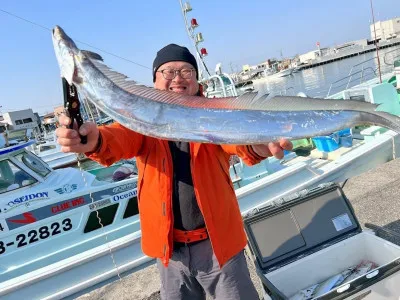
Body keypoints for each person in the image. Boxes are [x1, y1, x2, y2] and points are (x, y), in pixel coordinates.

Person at [55, 44, 293, 300]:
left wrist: (258, 146)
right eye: (168, 72)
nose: (177, 78)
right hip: (170, 252)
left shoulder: (217, 115)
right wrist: (95, 141)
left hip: (219, 247)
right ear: (154, 80)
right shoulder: (140, 121)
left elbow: (237, 142)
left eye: (186, 71)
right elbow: (118, 138)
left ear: (197, 80)